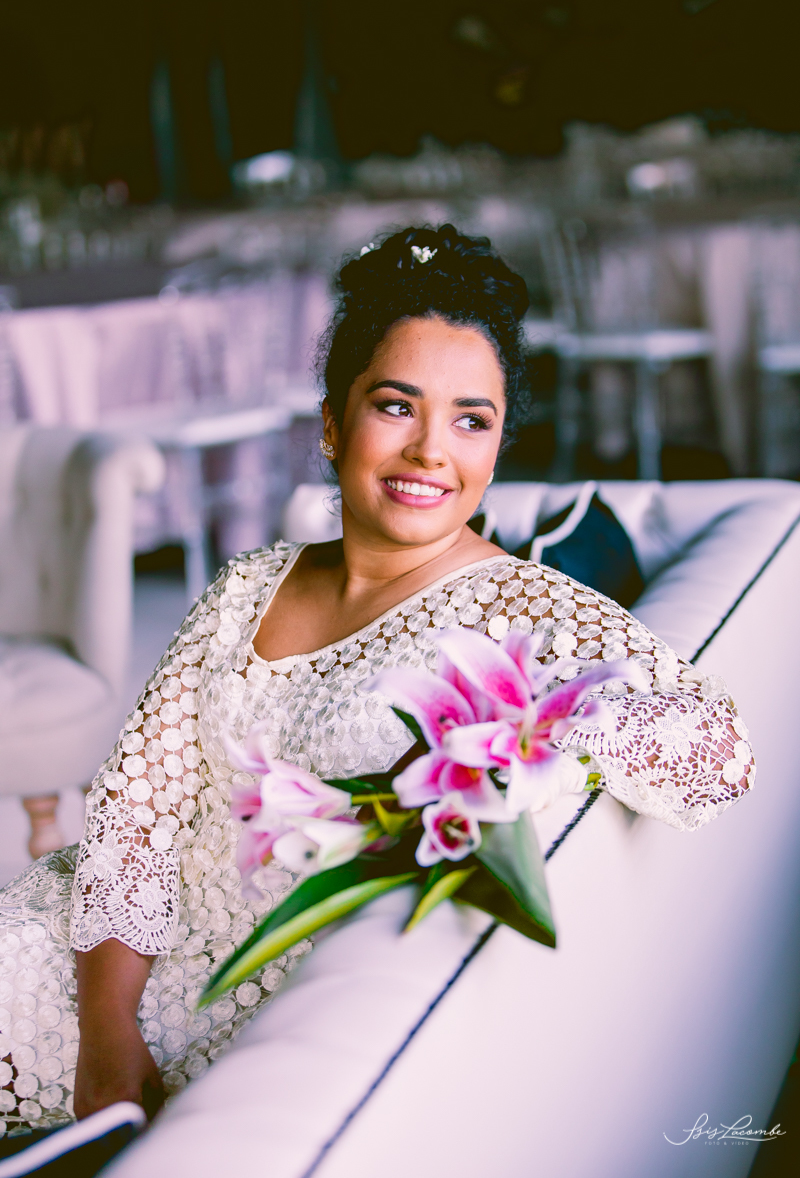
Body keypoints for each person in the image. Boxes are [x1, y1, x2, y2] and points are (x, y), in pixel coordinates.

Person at [0, 225, 753, 1135]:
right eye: (398, 406)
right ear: (332, 423)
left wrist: (532, 737)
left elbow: (718, 753)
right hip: (92, 963)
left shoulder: (521, 607)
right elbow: (132, 824)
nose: (432, 450)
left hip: (255, 1018)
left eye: (471, 420)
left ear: (498, 446)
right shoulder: (247, 586)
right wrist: (107, 1033)